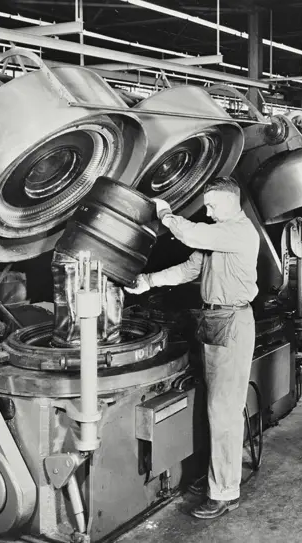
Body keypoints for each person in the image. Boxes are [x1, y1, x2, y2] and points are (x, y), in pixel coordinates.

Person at [125, 176, 260, 520]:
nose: (209, 212)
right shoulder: (218, 236)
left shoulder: (238, 231)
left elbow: (190, 233)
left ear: (232, 201)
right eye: (207, 206)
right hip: (215, 322)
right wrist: (148, 281)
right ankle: (216, 476)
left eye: (213, 205)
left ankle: (225, 492)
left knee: (224, 412)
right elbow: (189, 269)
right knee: (214, 407)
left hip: (232, 323)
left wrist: (166, 213)